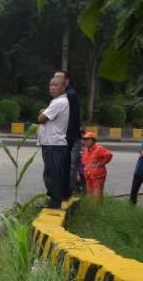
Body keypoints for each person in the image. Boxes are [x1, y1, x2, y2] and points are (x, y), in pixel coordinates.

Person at [37, 71, 72, 208]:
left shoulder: (59, 102)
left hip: (54, 144)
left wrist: (42, 112)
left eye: (55, 85)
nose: (52, 87)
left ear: (63, 87)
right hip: (53, 143)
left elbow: (41, 119)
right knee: (52, 173)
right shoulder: (60, 101)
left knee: (53, 175)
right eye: (51, 85)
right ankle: (54, 200)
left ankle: (55, 202)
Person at [60, 73, 83, 196]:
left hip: (71, 136)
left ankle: (69, 190)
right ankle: (67, 189)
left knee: (71, 165)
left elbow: (72, 117)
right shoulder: (65, 95)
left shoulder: (70, 95)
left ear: (67, 80)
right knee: (67, 164)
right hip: (68, 135)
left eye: (59, 79)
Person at [79, 132, 113, 196]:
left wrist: (102, 163)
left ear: (93, 141)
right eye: (84, 140)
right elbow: (85, 163)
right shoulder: (86, 151)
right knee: (90, 194)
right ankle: (92, 206)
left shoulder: (99, 149)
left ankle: (97, 206)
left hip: (98, 176)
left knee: (97, 194)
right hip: (88, 176)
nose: (85, 141)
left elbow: (109, 155)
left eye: (88, 139)